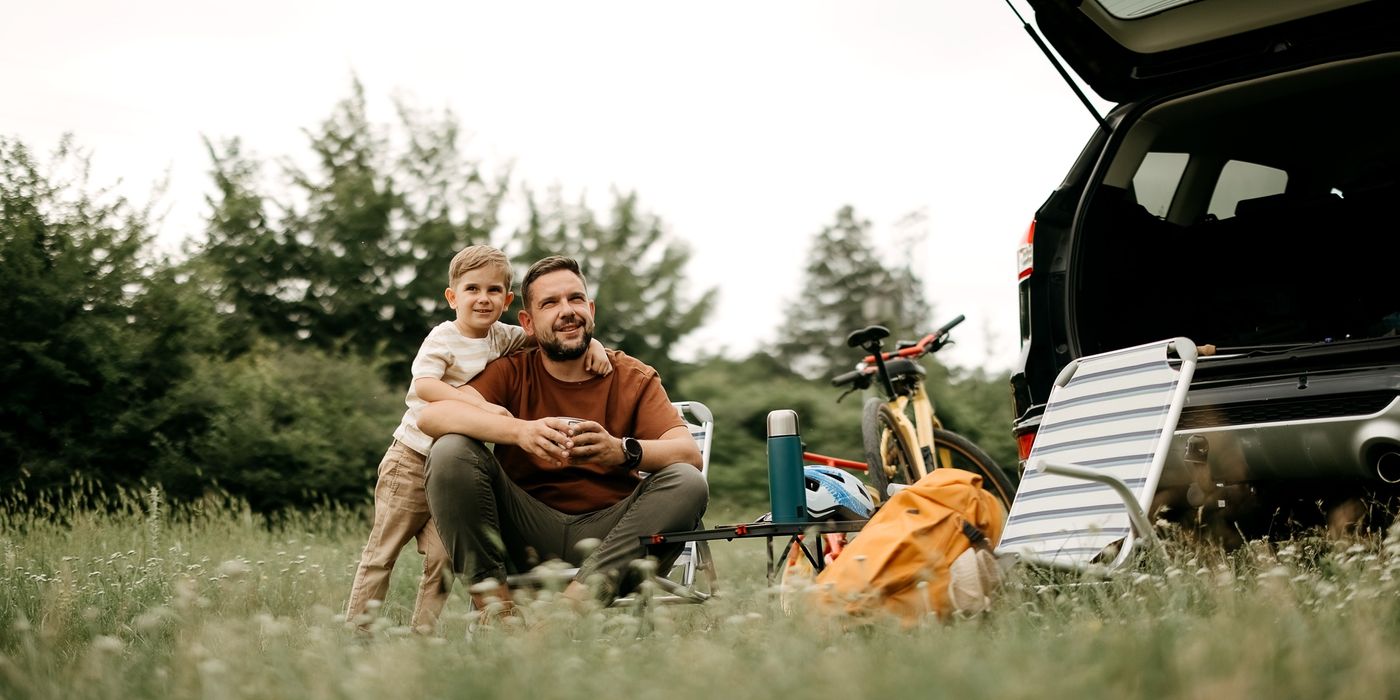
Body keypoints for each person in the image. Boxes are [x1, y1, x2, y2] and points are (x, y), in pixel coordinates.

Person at [345, 246, 611, 633]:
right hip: (411, 459)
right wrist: (480, 409)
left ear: (506, 301)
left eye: (492, 291)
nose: (482, 299)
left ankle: (422, 634)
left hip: (450, 471)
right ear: (453, 297)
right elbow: (426, 387)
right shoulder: (443, 338)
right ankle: (358, 631)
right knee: (382, 552)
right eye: (472, 289)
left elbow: (553, 332)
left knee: (443, 560)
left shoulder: (502, 337)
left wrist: (596, 345)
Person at [419, 255, 708, 608]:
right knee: (450, 450)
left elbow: (687, 454)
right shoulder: (511, 370)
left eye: (574, 299)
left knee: (688, 482)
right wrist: (520, 432)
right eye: (549, 303)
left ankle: (570, 612)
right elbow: (434, 416)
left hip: (611, 538)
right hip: (523, 529)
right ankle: (497, 612)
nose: (566, 311)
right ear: (527, 322)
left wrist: (621, 451)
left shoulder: (633, 376)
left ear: (591, 310)